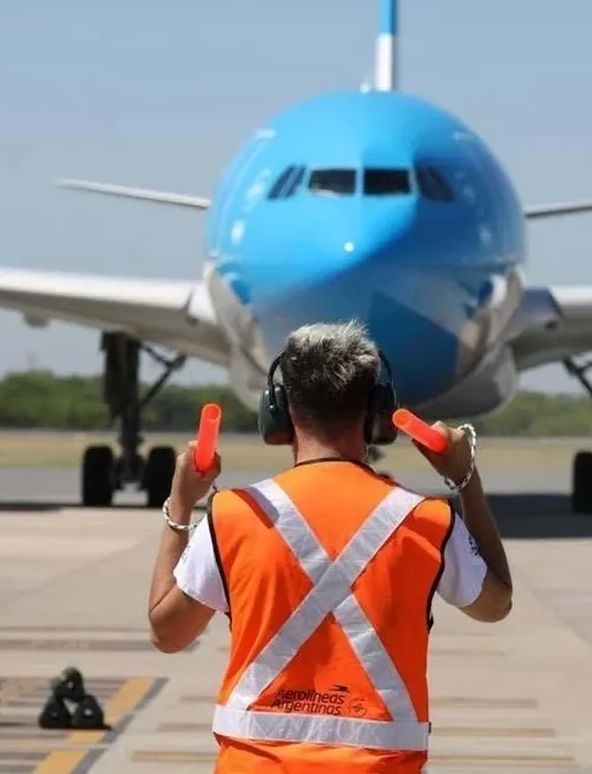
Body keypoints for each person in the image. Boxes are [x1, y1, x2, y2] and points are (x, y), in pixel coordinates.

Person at [146, 320, 514, 772]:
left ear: (278, 412)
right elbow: (495, 604)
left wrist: (180, 506)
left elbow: (168, 634)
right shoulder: (425, 520)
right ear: (378, 411)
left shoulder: (233, 515)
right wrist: (465, 479)